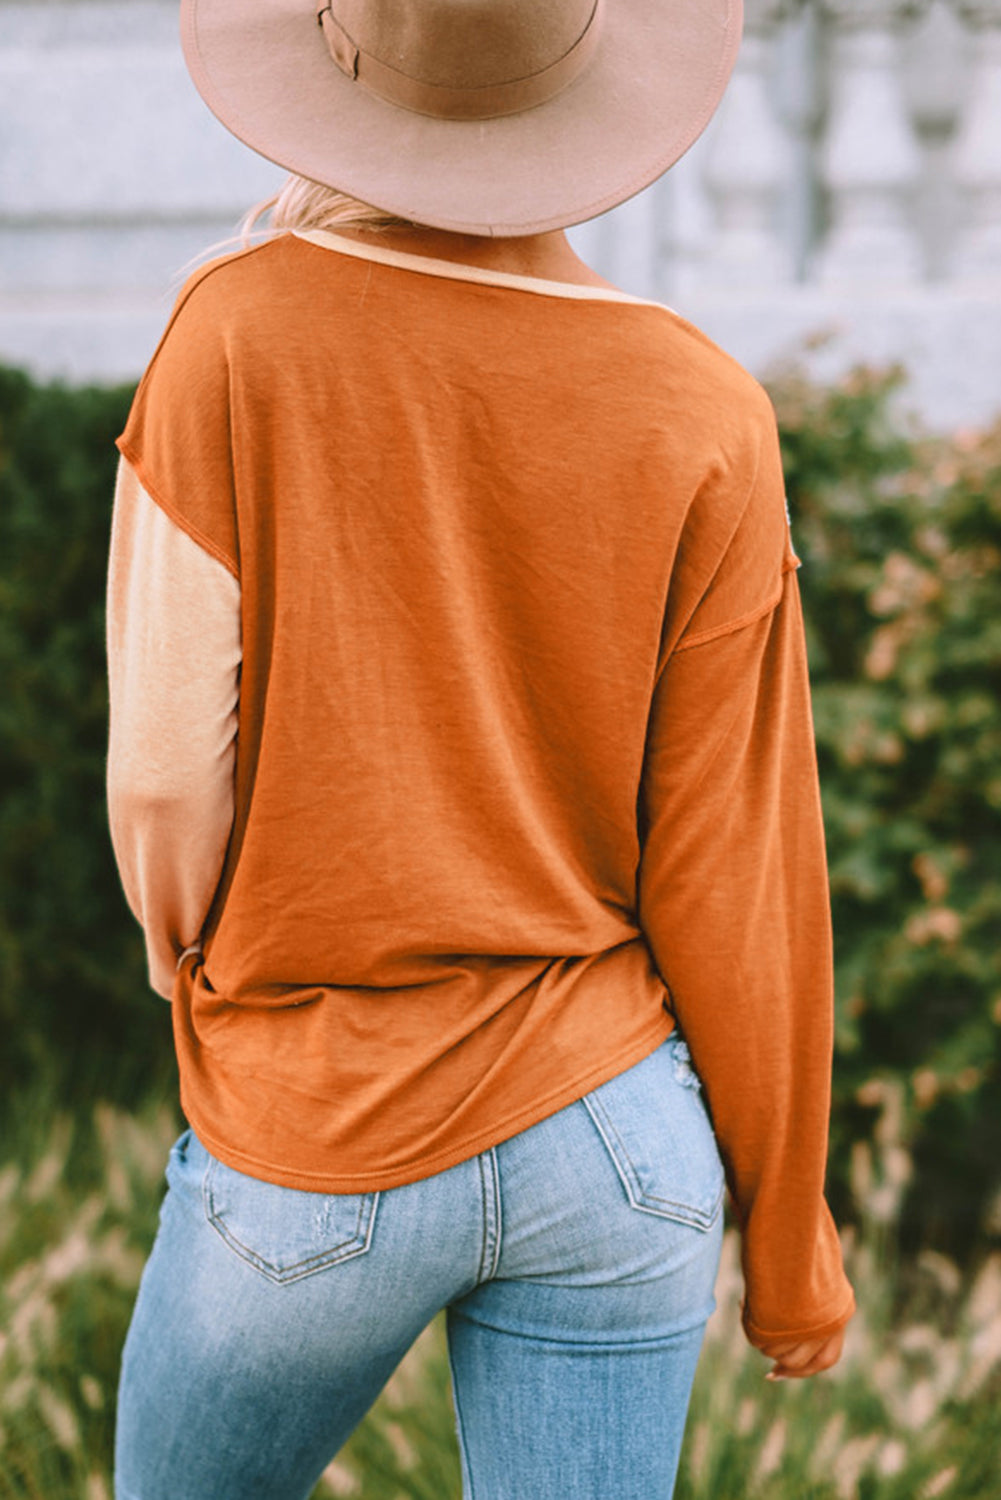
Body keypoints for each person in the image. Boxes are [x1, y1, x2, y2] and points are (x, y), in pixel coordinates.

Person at [106, 0, 856, 1496]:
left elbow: (167, 771)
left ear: (336, 59)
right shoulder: (706, 407)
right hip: (617, 1138)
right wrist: (788, 1240)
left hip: (322, 1119)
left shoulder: (231, 336)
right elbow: (737, 861)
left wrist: (188, 964)